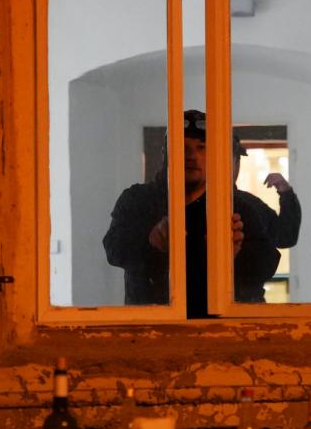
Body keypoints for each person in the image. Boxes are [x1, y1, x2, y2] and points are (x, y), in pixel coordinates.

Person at [102, 110, 285, 317]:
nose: (191, 155)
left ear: (214, 156)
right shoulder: (138, 200)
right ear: (167, 154)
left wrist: (232, 256)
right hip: (154, 325)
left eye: (201, 147)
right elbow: (114, 250)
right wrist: (151, 244)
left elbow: (266, 265)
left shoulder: (238, 207)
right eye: (182, 147)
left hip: (224, 327)